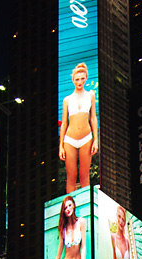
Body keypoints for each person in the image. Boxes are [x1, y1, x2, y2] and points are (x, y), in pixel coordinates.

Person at [58, 62, 98, 193]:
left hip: (86, 138)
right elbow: (64, 123)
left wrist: (96, 140)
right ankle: (70, 206)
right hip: (69, 139)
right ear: (72, 80)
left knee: (84, 176)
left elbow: (93, 118)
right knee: (71, 176)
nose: (79, 82)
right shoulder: (67, 100)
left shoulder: (90, 96)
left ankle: (86, 209)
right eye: (76, 79)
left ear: (86, 78)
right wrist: (61, 146)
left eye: (82, 78)